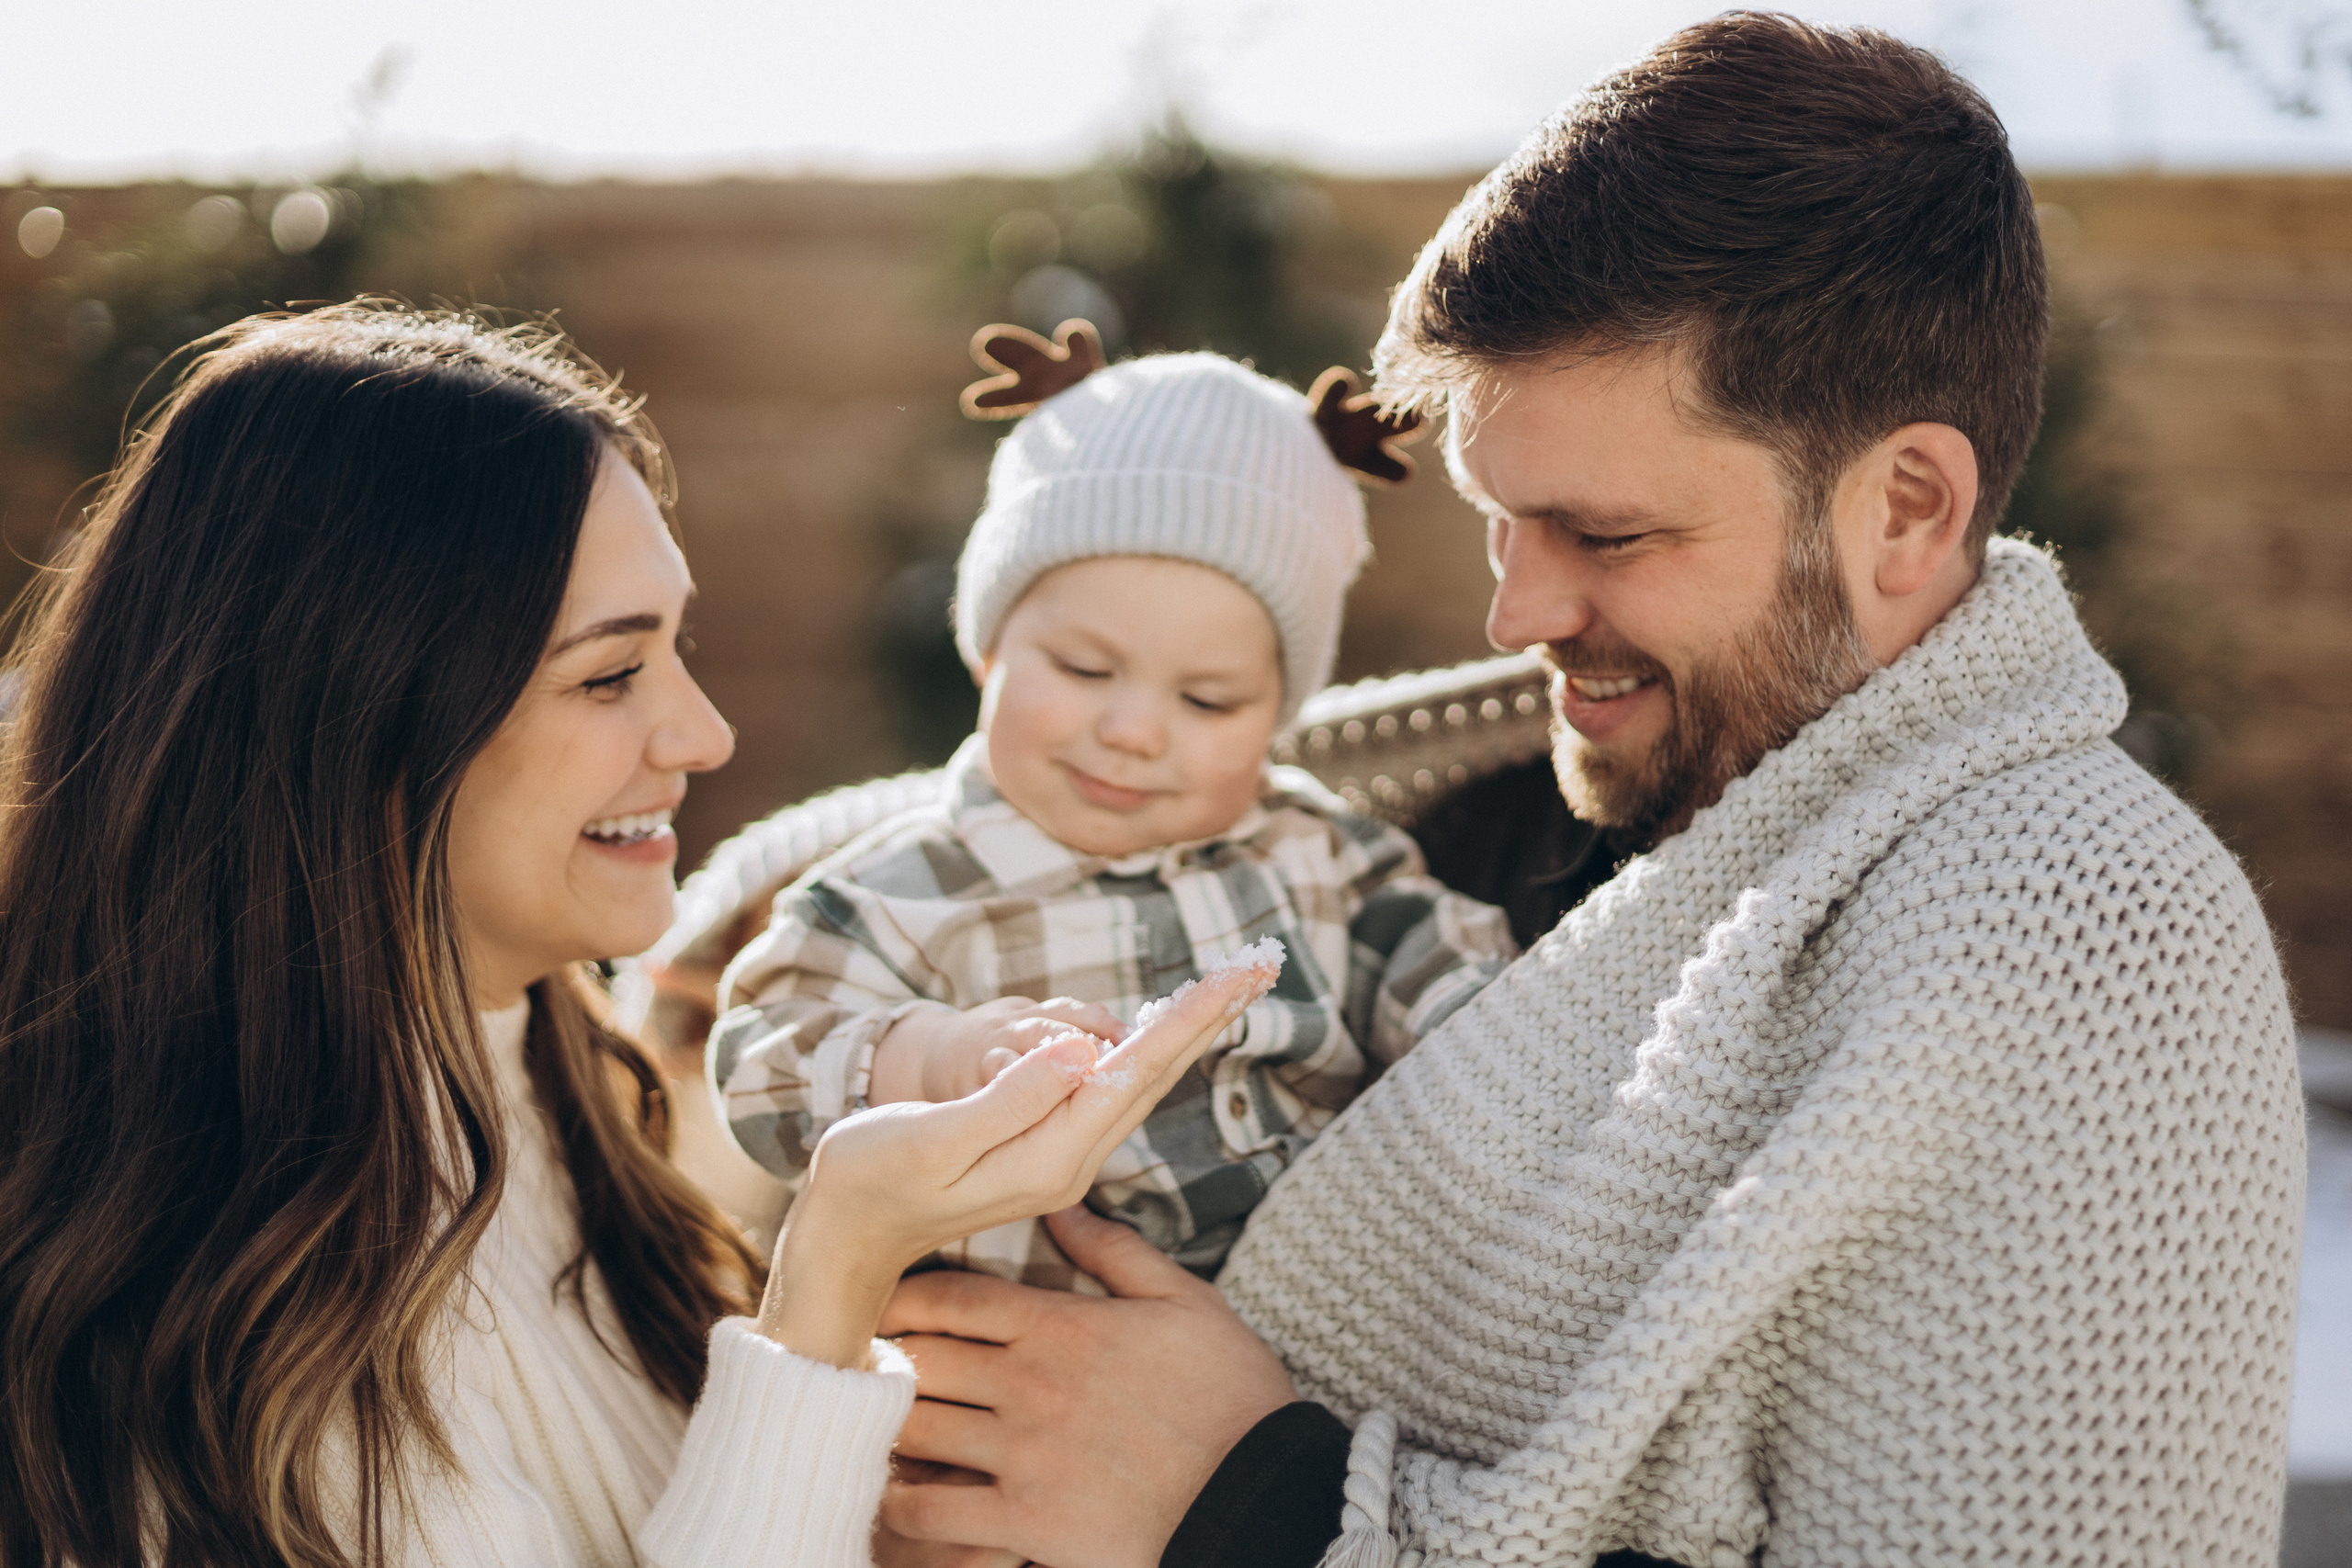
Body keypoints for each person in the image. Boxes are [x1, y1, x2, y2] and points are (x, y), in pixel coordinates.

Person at [870, 17, 2306, 1567]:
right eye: (1502, 520)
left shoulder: (2088, 935)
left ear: (1904, 509)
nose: (1518, 611)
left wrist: (1254, 1503)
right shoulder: (1479, 796)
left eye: (1606, 536)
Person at [0, 304, 1268, 1568]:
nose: (704, 733)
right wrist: (838, 1258)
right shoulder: (220, 1350)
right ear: (356, 715)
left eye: (677, 646)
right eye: (609, 674)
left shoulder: (580, 1121)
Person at [711, 348, 1516, 1292]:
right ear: (988, 651)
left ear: (1276, 716)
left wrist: (1481, 1051)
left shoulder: (1321, 853)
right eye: (1084, 670)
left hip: (1314, 1320)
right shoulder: (892, 896)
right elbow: (760, 1068)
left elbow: (1454, 974)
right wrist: (932, 1057)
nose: (1132, 731)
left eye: (1208, 700)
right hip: (1020, 1336)